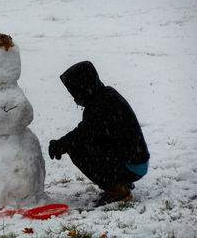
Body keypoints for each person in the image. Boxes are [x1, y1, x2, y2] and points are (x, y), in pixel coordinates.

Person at [48, 61, 150, 206]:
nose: (74, 98)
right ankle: (120, 182)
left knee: (75, 147)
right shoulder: (105, 95)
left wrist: (60, 145)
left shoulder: (101, 105)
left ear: (83, 87)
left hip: (132, 165)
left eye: (75, 92)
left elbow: (82, 134)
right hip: (135, 160)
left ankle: (119, 187)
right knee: (83, 143)